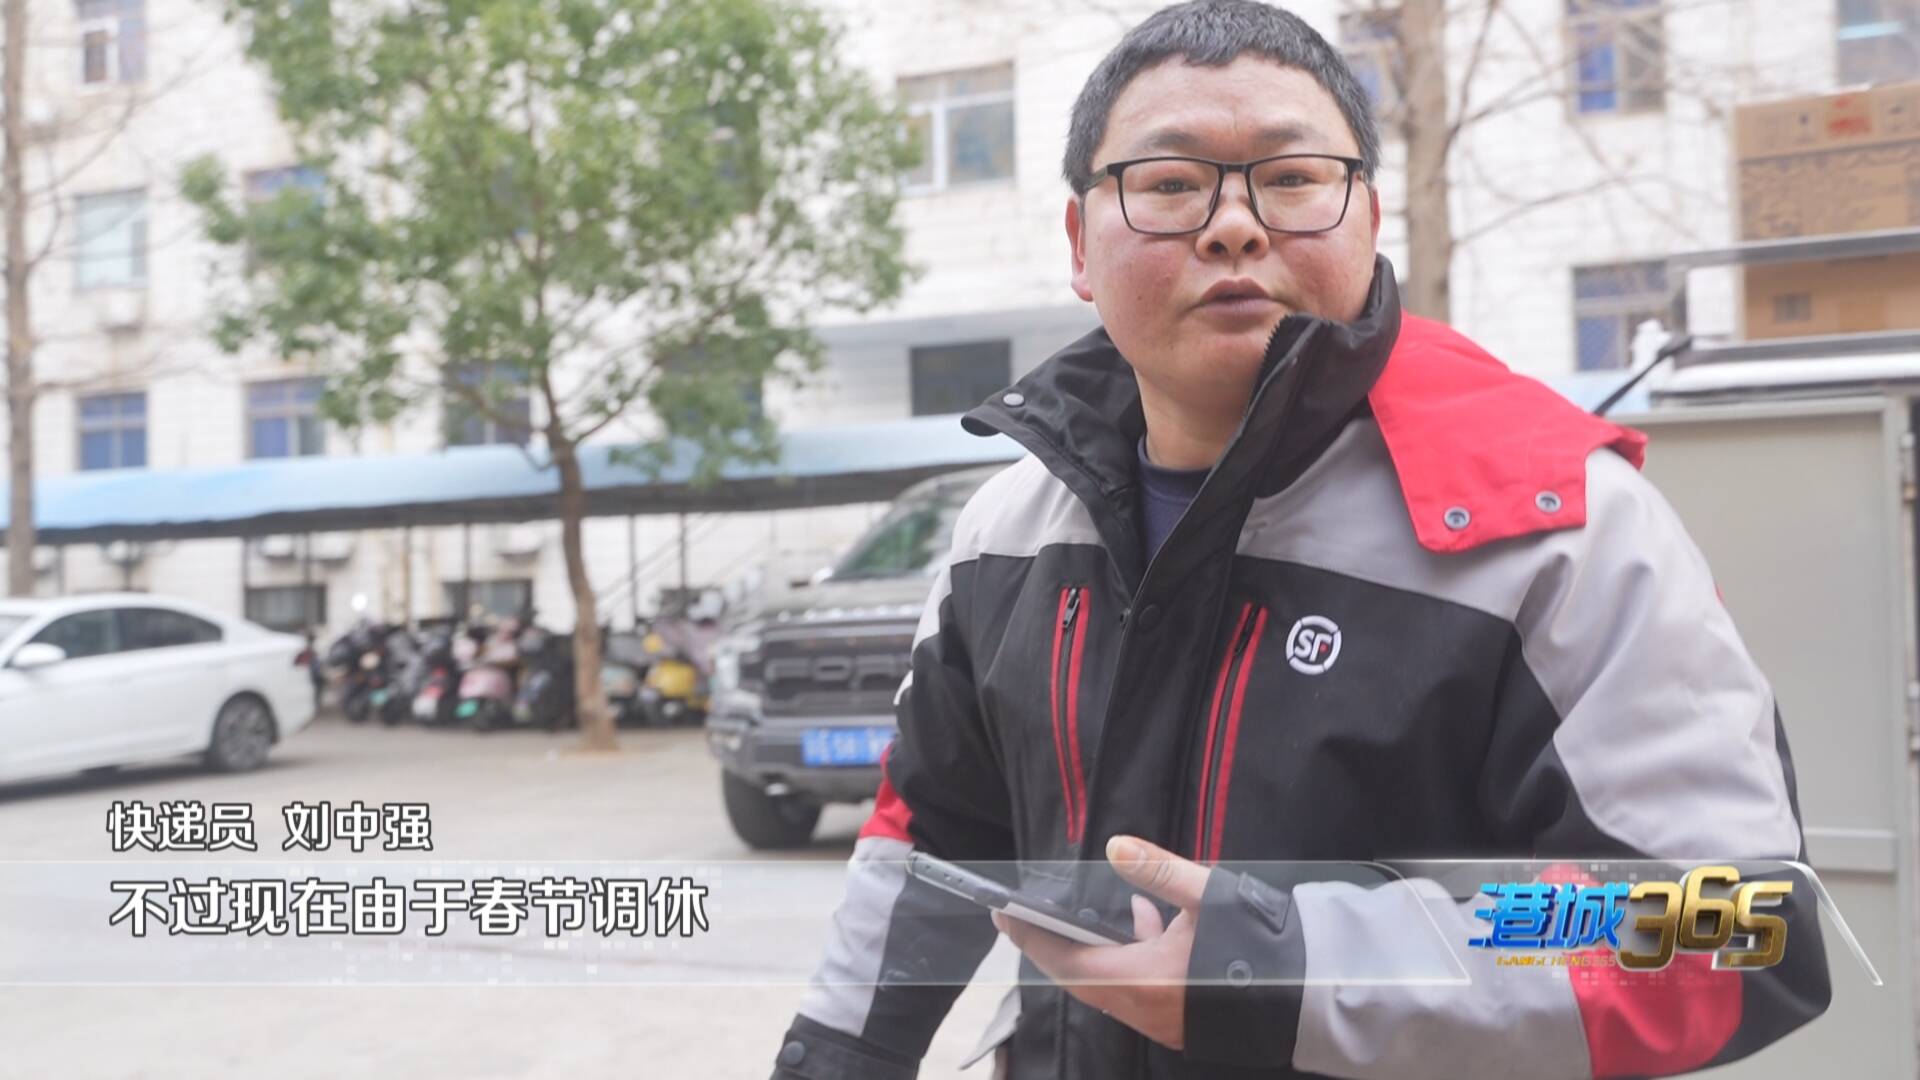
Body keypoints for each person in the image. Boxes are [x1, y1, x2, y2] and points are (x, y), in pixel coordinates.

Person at [769, 2, 1830, 1077]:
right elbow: (932, 832)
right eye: (1170, 183)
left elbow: (1731, 928)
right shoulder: (1006, 532)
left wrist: (1282, 969)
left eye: (1290, 178)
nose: (1234, 226)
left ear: (1367, 218)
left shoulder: (1556, 531)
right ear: (1081, 244)